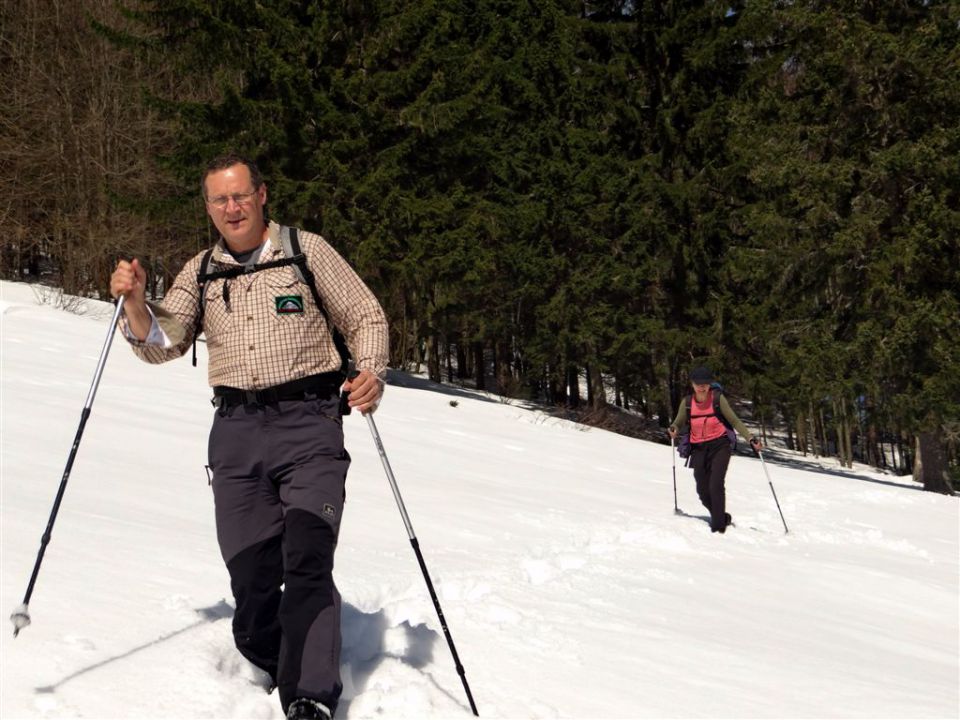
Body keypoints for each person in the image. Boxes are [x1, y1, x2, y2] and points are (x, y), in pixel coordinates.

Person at [110, 153, 389, 720]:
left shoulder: (306, 251)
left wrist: (372, 371)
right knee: (253, 576)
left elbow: (365, 314)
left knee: (308, 556)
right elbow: (166, 341)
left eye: (240, 196)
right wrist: (136, 303)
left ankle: (309, 694)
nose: (231, 208)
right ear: (208, 206)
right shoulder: (202, 271)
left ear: (262, 195)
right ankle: (275, 652)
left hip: (309, 423)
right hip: (235, 434)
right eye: (219, 199)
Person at [668, 366, 761, 534]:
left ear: (710, 384)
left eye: (705, 383)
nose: (702, 386)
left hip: (720, 445)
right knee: (702, 491)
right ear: (692, 384)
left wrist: (750, 438)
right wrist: (674, 428)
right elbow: (678, 421)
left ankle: (718, 528)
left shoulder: (718, 399)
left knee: (716, 484)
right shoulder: (687, 402)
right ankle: (721, 517)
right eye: (698, 383)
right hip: (698, 448)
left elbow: (734, 421)